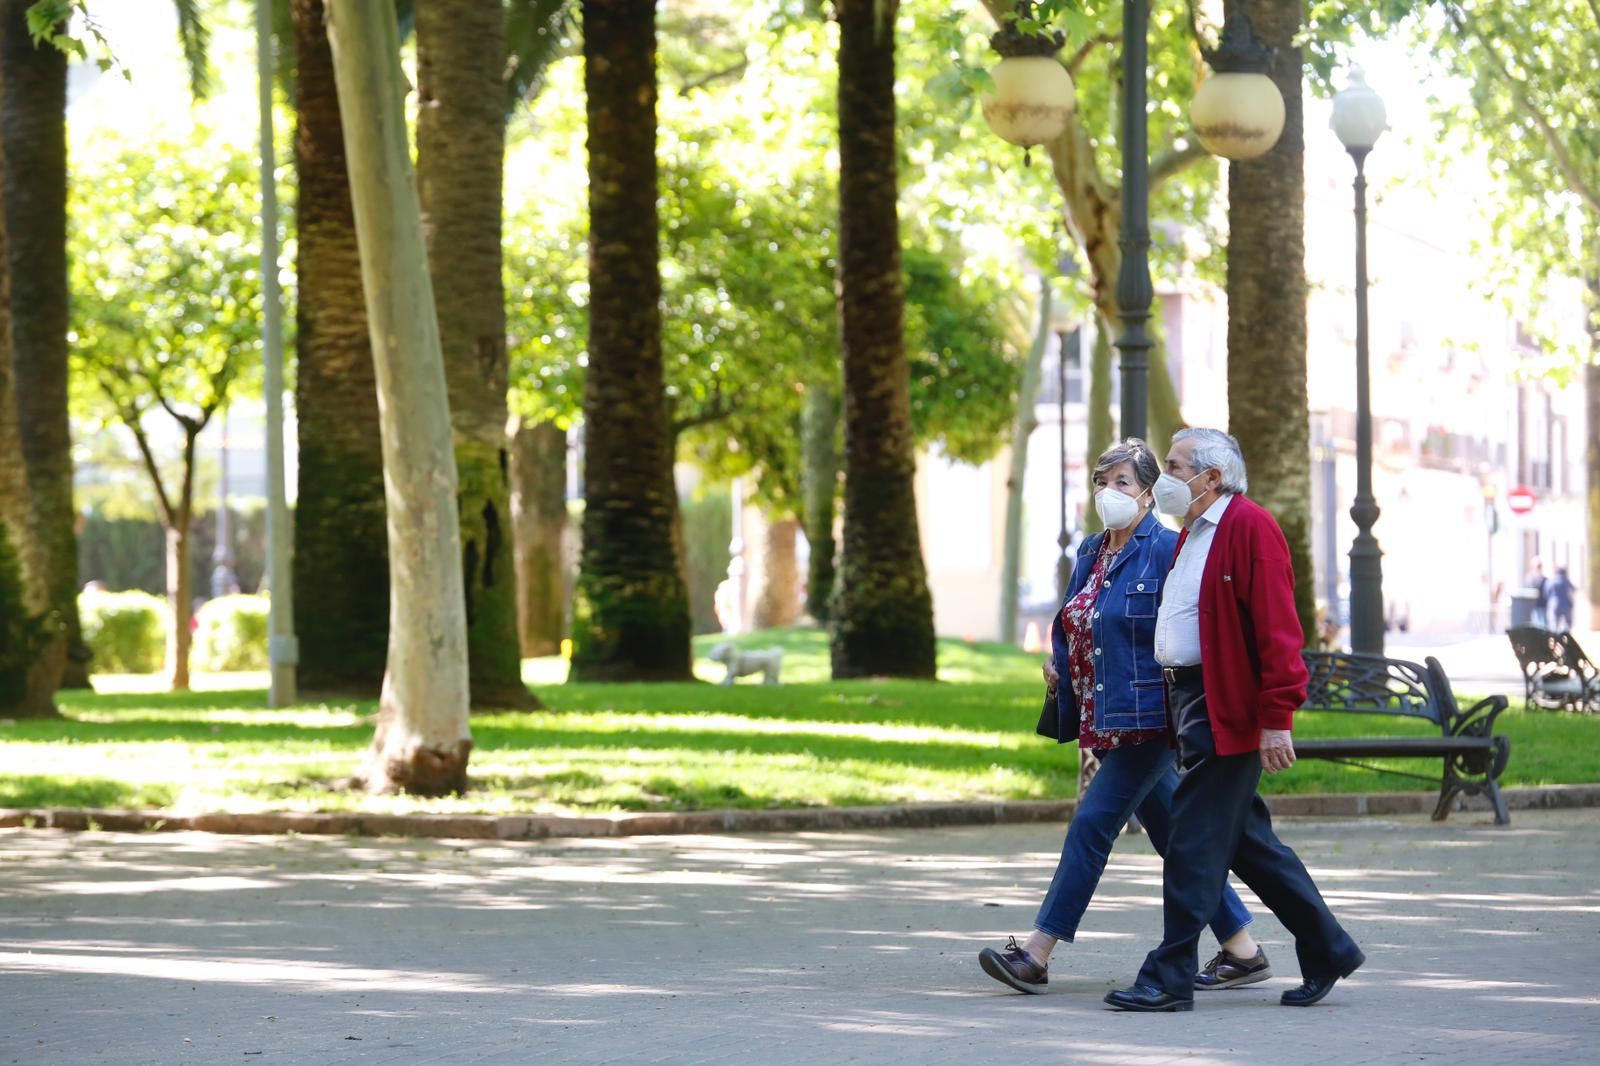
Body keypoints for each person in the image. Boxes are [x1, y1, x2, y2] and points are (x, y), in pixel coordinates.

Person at [979, 439, 1267, 996]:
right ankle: (1243, 950)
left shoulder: (1168, 550)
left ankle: (1037, 953)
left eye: (1122, 483)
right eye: (1101, 482)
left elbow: (1185, 628)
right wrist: (1059, 662)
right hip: (1104, 715)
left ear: (1149, 493)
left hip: (1152, 720)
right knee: (1174, 835)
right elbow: (1076, 620)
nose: (1108, 493)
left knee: (1092, 824)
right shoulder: (1091, 551)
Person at [1104, 428, 1364, 1014]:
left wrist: (1277, 719)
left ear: (1211, 477)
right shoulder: (1192, 533)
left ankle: (1167, 976)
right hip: (1193, 704)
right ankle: (1330, 947)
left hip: (1230, 710)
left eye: (1173, 465)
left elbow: (1279, 633)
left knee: (1193, 841)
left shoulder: (1250, 528)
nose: (1163, 475)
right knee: (1248, 844)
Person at [1546, 566, 1577, 633]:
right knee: (1568, 623)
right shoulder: (1565, 579)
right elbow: (1573, 588)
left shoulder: (1552, 580)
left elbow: (1547, 591)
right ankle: (1566, 635)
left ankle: (1555, 636)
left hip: (1554, 603)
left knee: (1554, 623)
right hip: (1565, 604)